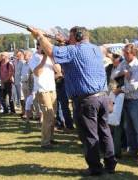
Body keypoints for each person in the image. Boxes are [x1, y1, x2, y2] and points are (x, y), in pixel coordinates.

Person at [30, 26, 117, 175]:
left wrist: (40, 36)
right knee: (104, 132)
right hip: (102, 97)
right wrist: (64, 41)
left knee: (89, 135)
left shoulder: (74, 50)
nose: (68, 39)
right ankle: (110, 164)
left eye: (70, 37)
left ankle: (95, 168)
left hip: (86, 100)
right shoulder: (96, 49)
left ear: (77, 36)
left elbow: (51, 51)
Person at [28, 42, 57, 149]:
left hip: (52, 89)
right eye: (44, 46)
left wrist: (52, 58)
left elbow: (58, 71)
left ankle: (51, 138)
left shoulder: (50, 57)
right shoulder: (34, 58)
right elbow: (37, 73)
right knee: (48, 116)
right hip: (42, 90)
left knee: (53, 116)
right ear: (38, 46)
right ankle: (45, 142)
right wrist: (44, 58)